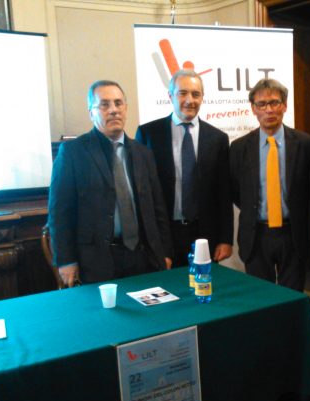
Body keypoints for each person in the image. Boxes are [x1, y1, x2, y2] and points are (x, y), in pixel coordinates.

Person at [48, 80, 173, 287]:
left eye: (118, 103)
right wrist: (66, 260)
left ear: (126, 108)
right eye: (104, 104)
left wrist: (165, 252)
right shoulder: (73, 153)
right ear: (91, 112)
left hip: (143, 257)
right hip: (97, 260)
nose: (113, 110)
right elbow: (59, 212)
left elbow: (157, 207)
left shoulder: (143, 153)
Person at [135, 70, 233, 267]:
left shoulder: (218, 139)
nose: (190, 100)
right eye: (183, 93)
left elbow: (224, 193)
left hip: (205, 234)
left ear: (202, 97)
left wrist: (225, 238)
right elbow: (141, 192)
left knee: (204, 283)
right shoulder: (148, 134)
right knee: (167, 285)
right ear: (170, 95)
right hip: (164, 234)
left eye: (196, 94)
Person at [230, 78, 310, 292]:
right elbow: (237, 192)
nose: (269, 109)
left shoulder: (305, 144)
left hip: (293, 234)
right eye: (262, 104)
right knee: (260, 297)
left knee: (292, 296)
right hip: (256, 235)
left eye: (275, 102)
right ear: (253, 109)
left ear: (284, 106)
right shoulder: (239, 148)